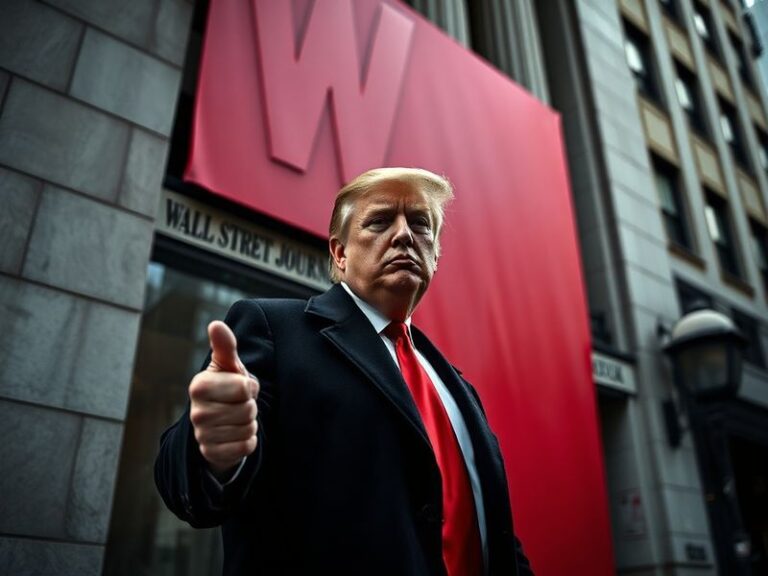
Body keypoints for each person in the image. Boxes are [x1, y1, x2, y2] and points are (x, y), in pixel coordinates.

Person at [155, 167, 533, 576]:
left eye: (420, 224)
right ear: (339, 253)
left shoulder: (458, 387)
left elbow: (494, 532)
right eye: (380, 221)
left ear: (436, 255)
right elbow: (186, 485)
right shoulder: (273, 329)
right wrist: (213, 450)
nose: (405, 234)